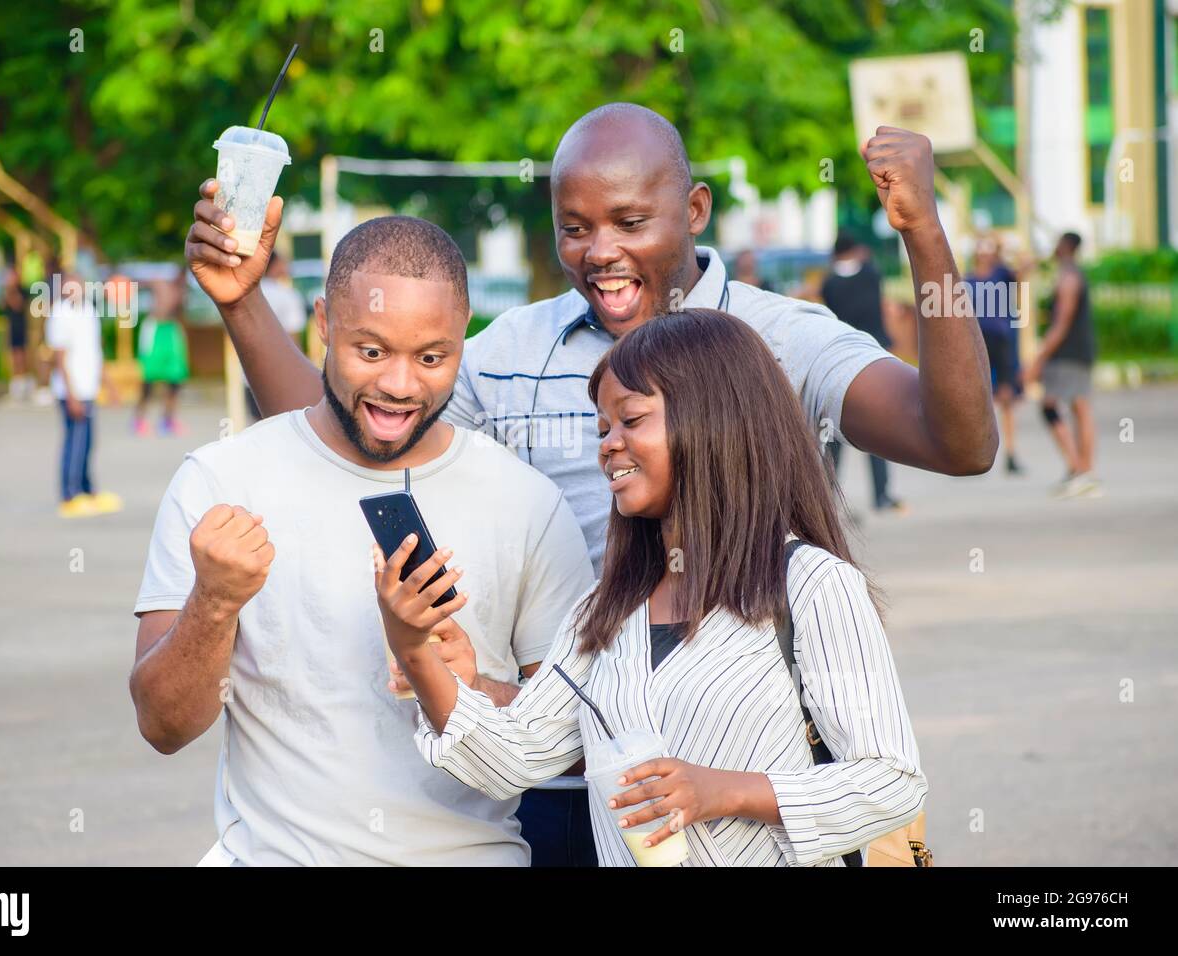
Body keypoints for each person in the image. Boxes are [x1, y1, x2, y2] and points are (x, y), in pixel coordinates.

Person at [184, 102, 991, 866]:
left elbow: (959, 440)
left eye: (630, 223)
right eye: (575, 229)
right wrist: (244, 302)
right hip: (561, 767)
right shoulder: (509, 353)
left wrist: (922, 233)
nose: (599, 251)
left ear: (696, 209)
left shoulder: (779, 345)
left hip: (746, 767)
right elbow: (353, 441)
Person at [376, 308, 927, 867]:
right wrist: (415, 649)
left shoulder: (812, 585)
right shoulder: (606, 610)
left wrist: (726, 791)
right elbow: (514, 756)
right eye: (603, 429)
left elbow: (892, 781)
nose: (608, 445)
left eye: (631, 420)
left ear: (717, 421)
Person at [131, 216, 594, 866]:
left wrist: (468, 685)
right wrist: (212, 603)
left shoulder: (526, 502)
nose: (400, 386)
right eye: (371, 352)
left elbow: (580, 738)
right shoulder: (221, 481)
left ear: (465, 339)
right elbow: (163, 727)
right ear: (324, 323)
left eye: (432, 357)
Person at [820, 233, 904, 513]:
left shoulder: (830, 283)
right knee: (877, 431)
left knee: (833, 436)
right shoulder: (871, 274)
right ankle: (881, 495)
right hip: (873, 358)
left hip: (838, 359)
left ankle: (826, 499)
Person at [1024, 232, 1100, 498]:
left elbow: (1062, 322)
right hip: (1078, 351)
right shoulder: (1072, 273)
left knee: (1052, 407)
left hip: (1068, 353)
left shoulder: (1068, 276)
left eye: (1058, 243)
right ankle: (1082, 472)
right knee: (1079, 407)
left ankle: (1080, 470)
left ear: (1066, 246)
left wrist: (1039, 358)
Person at [46, 268, 123, 518]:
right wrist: (71, 396)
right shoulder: (60, 314)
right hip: (72, 391)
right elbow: (59, 359)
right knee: (75, 442)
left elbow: (95, 354)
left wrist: (109, 386)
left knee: (88, 442)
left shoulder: (88, 312)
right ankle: (70, 494)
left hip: (88, 388)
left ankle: (88, 491)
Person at [963, 237, 1024, 475]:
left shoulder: (1002, 273)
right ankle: (974, 452)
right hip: (978, 345)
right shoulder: (967, 280)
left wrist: (1003, 247)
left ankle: (1010, 452)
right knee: (977, 400)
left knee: (1007, 399)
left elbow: (1023, 270)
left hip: (1003, 343)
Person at [244, 250, 308, 421]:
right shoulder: (287, 295)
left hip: (250, 373)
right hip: (283, 373)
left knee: (259, 425)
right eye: (283, 262)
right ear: (274, 265)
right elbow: (293, 337)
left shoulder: (246, 295)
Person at [134, 272, 191, 437]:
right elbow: (143, 282)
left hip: (170, 332)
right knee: (148, 385)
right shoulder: (160, 283)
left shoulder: (182, 291)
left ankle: (168, 420)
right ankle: (139, 420)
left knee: (175, 382)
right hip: (155, 332)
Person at [1, 252, 33, 403]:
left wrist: (12, 290)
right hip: (11, 327)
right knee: (13, 356)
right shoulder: (6, 291)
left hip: (22, 327)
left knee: (22, 356)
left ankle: (24, 386)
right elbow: (1, 305)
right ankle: (15, 386)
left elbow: (17, 304)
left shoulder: (22, 291)